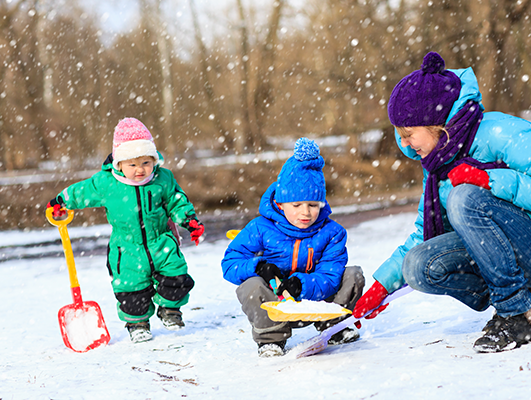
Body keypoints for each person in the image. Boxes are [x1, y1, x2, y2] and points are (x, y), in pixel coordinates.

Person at [352, 52, 531, 353]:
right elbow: (422, 234)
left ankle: (517, 315)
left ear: (435, 124)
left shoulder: (498, 131)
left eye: (408, 134)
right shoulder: (439, 165)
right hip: (510, 253)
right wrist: (381, 286)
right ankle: (513, 298)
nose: (404, 144)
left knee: (464, 197)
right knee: (418, 265)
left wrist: (489, 180)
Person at [47, 118, 204, 343]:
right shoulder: (107, 183)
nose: (140, 170)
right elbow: (82, 191)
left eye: (146, 162)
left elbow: (176, 200)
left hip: (161, 241)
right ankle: (137, 323)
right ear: (119, 164)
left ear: (154, 160)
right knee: (131, 289)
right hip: (126, 248)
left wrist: (190, 222)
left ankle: (170, 310)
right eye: (132, 164)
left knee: (177, 277)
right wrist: (61, 201)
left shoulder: (163, 178)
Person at [222, 138, 365, 357]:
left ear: (322, 204)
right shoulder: (260, 228)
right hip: (276, 303)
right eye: (296, 205)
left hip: (315, 301)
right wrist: (258, 266)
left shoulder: (332, 232)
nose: (305, 212)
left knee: (352, 275)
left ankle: (334, 326)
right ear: (280, 203)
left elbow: (331, 273)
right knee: (250, 285)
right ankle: (271, 339)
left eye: (313, 205)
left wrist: (302, 284)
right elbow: (230, 263)